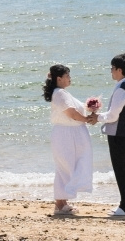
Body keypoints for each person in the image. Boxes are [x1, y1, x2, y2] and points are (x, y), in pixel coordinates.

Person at [43, 63, 97, 216]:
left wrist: (91, 108)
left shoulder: (62, 93)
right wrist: (87, 120)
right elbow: (71, 113)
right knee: (65, 166)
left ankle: (62, 203)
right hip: (66, 134)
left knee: (68, 166)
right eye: (67, 76)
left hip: (70, 134)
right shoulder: (60, 93)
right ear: (59, 79)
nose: (69, 78)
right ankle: (60, 204)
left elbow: (76, 109)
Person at [97, 52, 125, 218]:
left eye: (112, 68)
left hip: (119, 134)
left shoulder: (122, 89)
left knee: (121, 169)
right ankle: (124, 205)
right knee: (122, 168)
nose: (111, 71)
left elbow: (113, 116)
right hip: (123, 133)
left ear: (119, 70)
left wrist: (96, 117)